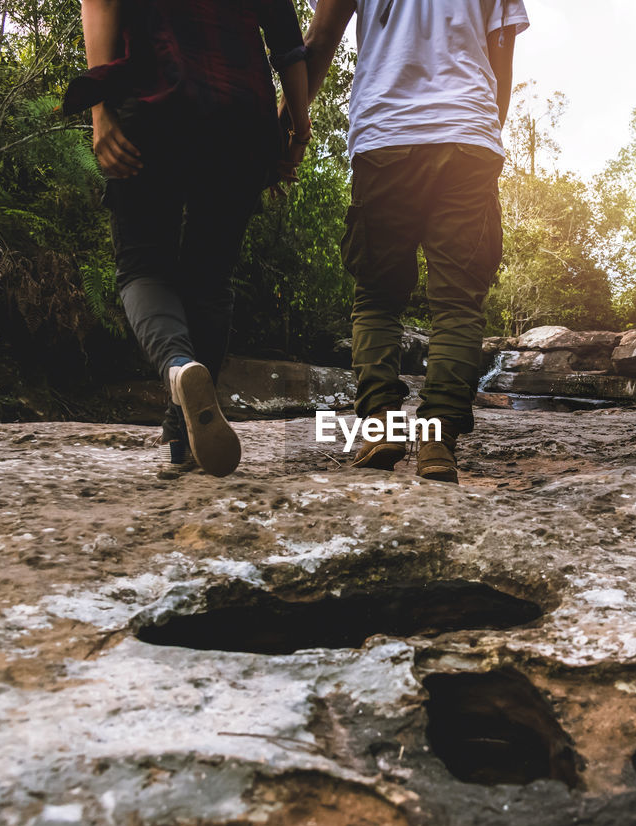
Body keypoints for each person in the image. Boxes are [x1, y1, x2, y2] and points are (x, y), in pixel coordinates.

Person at [63, 0, 313, 477]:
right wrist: (296, 131)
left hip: (156, 101)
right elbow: (288, 44)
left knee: (143, 266)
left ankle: (179, 367)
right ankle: (183, 436)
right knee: (210, 278)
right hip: (243, 116)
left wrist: (101, 110)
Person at [292, 0, 528, 483]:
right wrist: (479, 129)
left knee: (377, 297)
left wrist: (290, 122)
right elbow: (501, 62)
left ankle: (381, 425)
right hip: (467, 138)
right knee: (458, 304)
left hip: (385, 136)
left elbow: (319, 42)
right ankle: (438, 442)